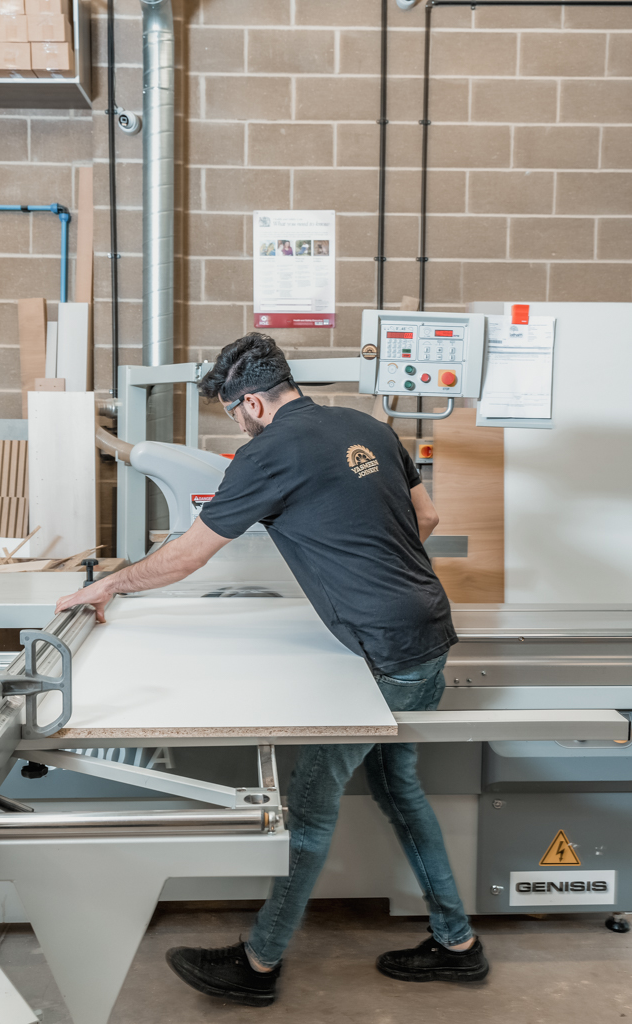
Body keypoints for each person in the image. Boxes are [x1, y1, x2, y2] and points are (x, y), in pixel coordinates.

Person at [55, 333, 489, 1007]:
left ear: (251, 402)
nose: (237, 422)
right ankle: (457, 943)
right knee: (398, 785)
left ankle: (257, 964)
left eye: (233, 412)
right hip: (429, 631)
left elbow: (189, 554)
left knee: (311, 807)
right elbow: (424, 515)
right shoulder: (365, 424)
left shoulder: (267, 452)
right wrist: (369, 562)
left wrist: (108, 586)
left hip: (383, 652)